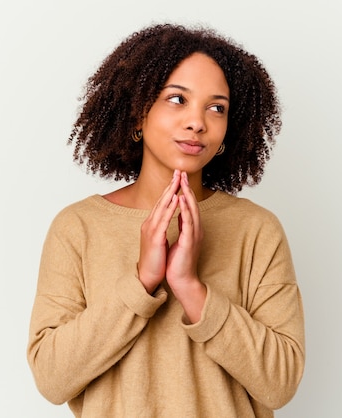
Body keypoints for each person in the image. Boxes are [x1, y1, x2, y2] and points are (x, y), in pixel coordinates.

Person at [27, 23, 305, 417]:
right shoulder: (79, 228)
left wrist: (192, 289)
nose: (197, 122)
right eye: (177, 99)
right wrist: (141, 282)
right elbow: (52, 380)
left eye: (216, 107)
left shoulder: (256, 230)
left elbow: (280, 384)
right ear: (138, 114)